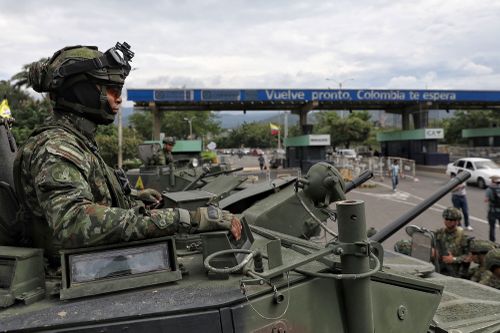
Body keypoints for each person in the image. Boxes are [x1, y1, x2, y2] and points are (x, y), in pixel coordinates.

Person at [14, 43, 241, 267]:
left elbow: (91, 195)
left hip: (95, 264)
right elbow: (74, 223)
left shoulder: (77, 140)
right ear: (80, 92)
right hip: (77, 272)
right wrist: (185, 219)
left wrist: (133, 196)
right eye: (111, 90)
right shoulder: (56, 147)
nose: (119, 99)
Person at [433, 207, 471, 277]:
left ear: (457, 221)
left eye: (451, 219)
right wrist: (432, 252)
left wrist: (453, 259)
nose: (448, 221)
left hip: (453, 273)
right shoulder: (439, 233)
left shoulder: (462, 236)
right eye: (446, 219)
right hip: (438, 269)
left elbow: (468, 257)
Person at [485, 175, 500, 242]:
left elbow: (486, 200)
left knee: (492, 227)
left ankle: (492, 242)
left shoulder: (489, 189)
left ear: (492, 181)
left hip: (492, 211)